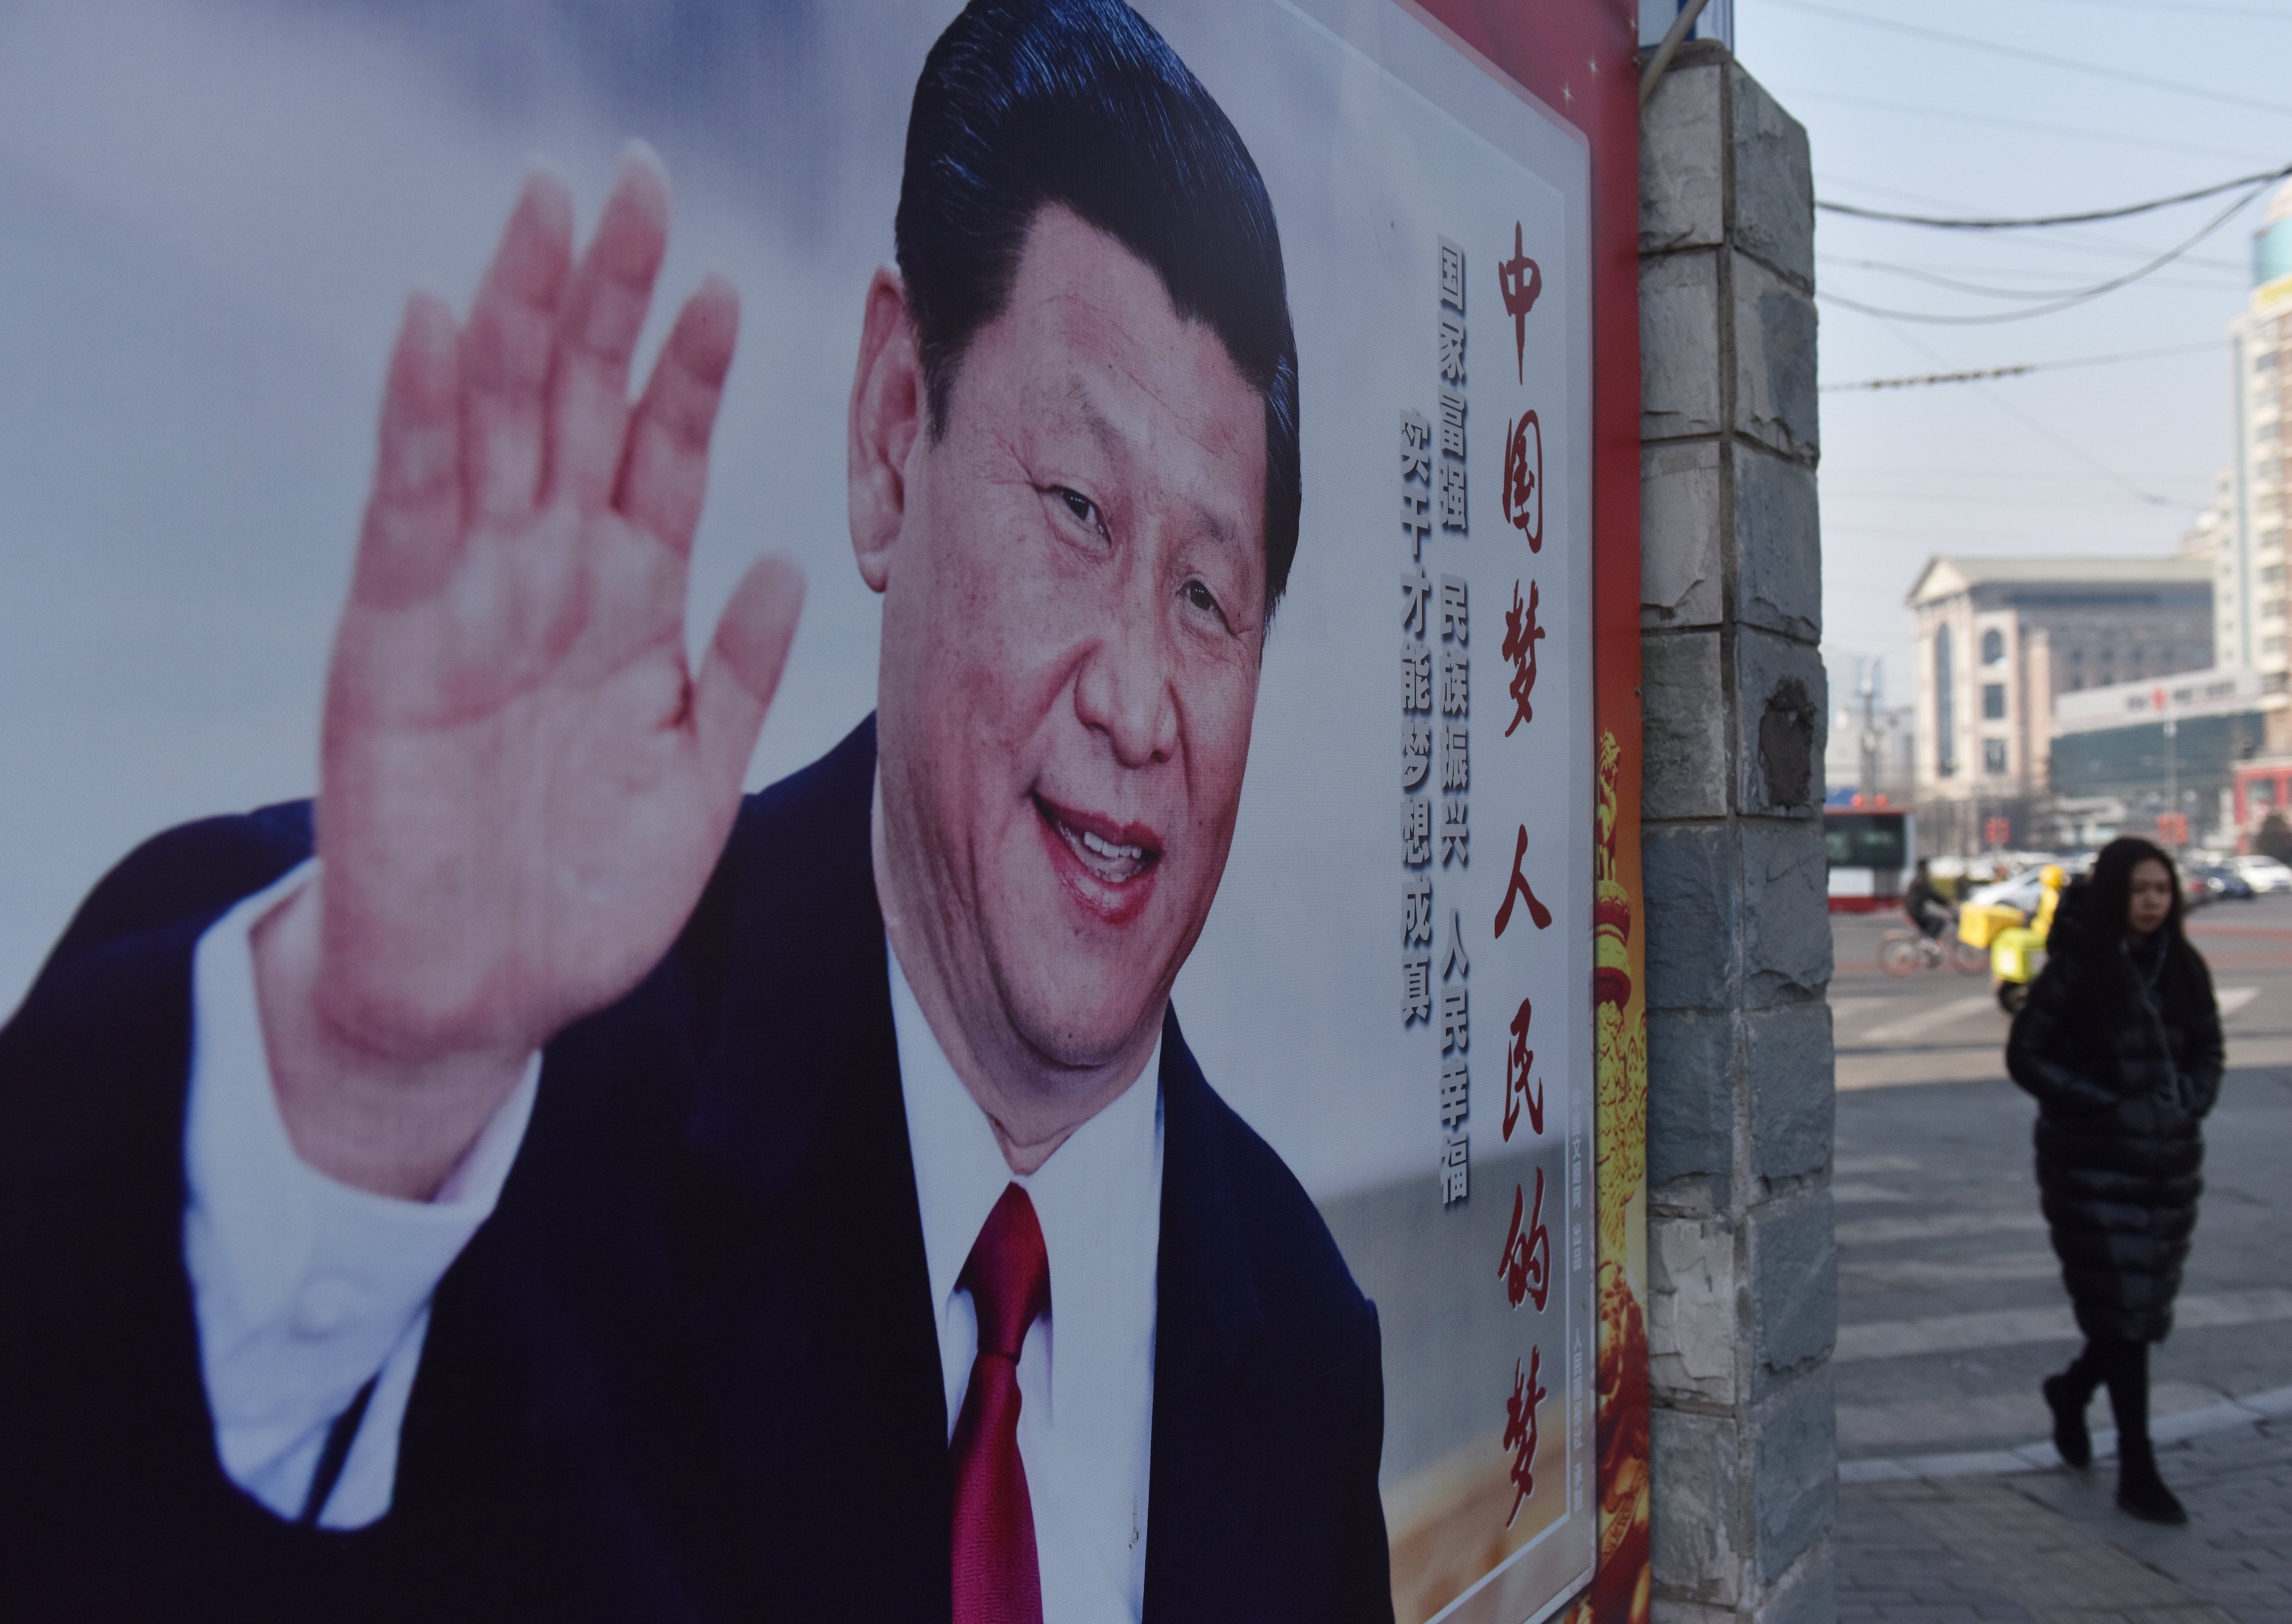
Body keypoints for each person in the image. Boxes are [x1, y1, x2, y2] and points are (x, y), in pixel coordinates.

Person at [0, 3, 1392, 1619]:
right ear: (892, 435)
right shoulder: (502, 1091)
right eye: (1076, 510)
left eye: (1210, 598)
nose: (1138, 702)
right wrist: (357, 1079)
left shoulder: (1299, 1332)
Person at [2007, 837, 2224, 1526]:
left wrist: (2191, 1097)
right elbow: (2027, 1054)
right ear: (2113, 895)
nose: (2152, 901)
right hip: (2090, 1165)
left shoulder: (2182, 965)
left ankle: (2070, 1393)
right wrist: (2104, 1103)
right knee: (2125, 1315)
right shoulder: (2078, 967)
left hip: (2166, 1167)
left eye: (2162, 888)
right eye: (2139, 889)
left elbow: (2210, 1047)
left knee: (2136, 1314)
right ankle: (2138, 1467)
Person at [1903, 858, 1951, 941]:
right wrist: (1946, 902)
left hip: (1914, 909)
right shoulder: (1921, 880)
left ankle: (1926, 942)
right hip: (1916, 911)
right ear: (1925, 867)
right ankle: (1928, 942)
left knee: (1928, 927)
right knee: (1938, 921)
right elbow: (1931, 894)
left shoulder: (1918, 878)